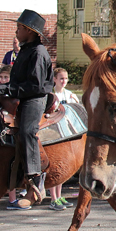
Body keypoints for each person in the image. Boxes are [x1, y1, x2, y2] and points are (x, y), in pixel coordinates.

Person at [0, 10, 54, 209]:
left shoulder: (38, 52)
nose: (16, 31)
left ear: (29, 31)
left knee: (28, 131)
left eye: (19, 28)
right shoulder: (25, 50)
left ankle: (35, 179)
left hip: (34, 98)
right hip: (19, 94)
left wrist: (3, 89)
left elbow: (35, 86)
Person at [0, 65, 29, 211]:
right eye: (0, 77)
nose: (1, 80)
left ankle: (12, 200)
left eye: (5, 77)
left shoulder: (16, 92)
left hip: (13, 133)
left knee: (12, 168)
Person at [46, 67, 79, 211]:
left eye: (65, 78)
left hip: (65, 132)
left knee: (62, 166)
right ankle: (53, 199)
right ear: (54, 79)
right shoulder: (50, 94)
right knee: (54, 166)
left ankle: (59, 197)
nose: (64, 81)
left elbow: (76, 109)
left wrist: (75, 101)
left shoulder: (69, 94)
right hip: (53, 132)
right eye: (61, 78)